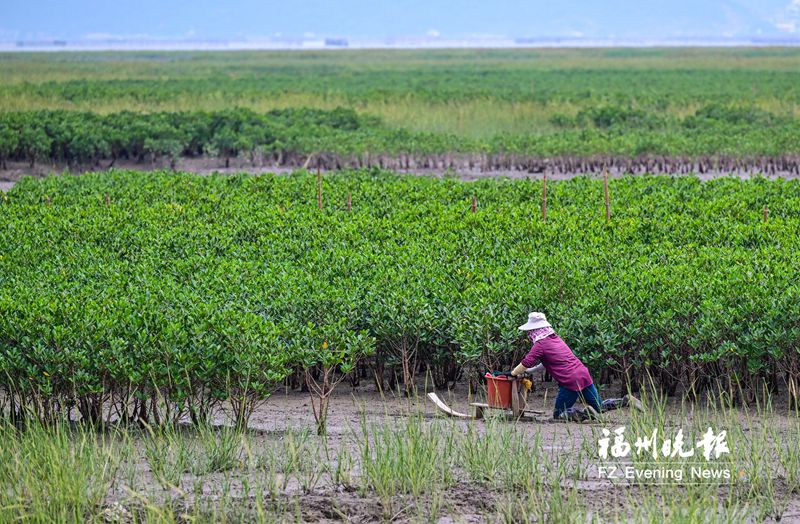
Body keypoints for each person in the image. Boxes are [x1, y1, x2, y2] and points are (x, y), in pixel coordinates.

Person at [511, 312, 643, 421]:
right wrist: (530, 371)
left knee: (558, 415)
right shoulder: (555, 339)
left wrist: (512, 374)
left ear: (534, 330)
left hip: (570, 381)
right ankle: (626, 401)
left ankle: (585, 414)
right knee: (599, 406)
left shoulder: (540, 344)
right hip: (583, 374)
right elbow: (546, 363)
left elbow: (526, 362)